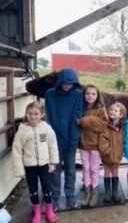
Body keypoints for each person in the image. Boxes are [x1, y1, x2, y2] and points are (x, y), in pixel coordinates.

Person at [12, 101, 59, 223]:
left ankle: (49, 210)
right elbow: (16, 150)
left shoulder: (46, 129)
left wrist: (53, 162)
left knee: (47, 188)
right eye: (30, 113)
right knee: (32, 189)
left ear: (42, 115)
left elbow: (52, 145)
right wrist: (19, 169)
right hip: (30, 166)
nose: (33, 116)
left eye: (36, 114)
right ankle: (36, 211)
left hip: (44, 165)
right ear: (26, 114)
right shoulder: (22, 131)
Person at [45, 67, 84, 211]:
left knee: (71, 169)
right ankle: (55, 196)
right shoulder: (50, 94)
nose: (67, 85)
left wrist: (74, 138)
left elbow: (78, 116)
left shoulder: (78, 94)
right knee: (54, 169)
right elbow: (47, 115)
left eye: (70, 83)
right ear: (59, 81)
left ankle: (70, 195)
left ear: (74, 82)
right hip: (54, 139)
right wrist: (49, 137)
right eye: (64, 82)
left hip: (70, 137)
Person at [76, 84, 108, 207]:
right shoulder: (80, 107)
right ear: (84, 95)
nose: (90, 96)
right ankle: (87, 193)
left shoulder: (101, 109)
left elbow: (102, 124)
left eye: (93, 94)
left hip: (95, 145)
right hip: (83, 144)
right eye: (87, 93)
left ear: (97, 95)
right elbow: (75, 119)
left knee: (94, 169)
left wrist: (84, 121)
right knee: (86, 168)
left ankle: (94, 194)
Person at [98, 102, 127, 203]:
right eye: (111, 110)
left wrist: (122, 151)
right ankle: (107, 192)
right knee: (107, 172)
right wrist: (107, 152)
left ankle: (115, 192)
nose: (112, 112)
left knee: (115, 172)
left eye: (115, 111)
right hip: (107, 155)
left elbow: (124, 140)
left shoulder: (123, 127)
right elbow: (102, 141)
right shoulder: (105, 126)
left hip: (117, 155)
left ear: (121, 115)